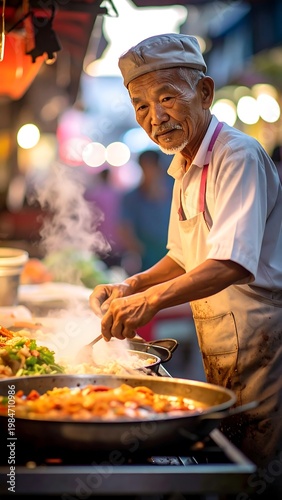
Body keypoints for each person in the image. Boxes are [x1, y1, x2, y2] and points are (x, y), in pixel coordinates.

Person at [89, 33, 282, 498]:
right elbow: (183, 255)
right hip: (222, 345)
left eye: (168, 98)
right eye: (140, 107)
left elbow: (232, 262)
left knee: (257, 473)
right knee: (230, 458)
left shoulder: (237, 155)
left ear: (206, 93)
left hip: (263, 346)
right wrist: (133, 286)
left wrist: (148, 303)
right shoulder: (185, 164)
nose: (154, 118)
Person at [118, 149, 172, 273]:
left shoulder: (174, 191)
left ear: (159, 168)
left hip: (172, 251)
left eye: (152, 167)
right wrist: (139, 250)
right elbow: (124, 228)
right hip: (147, 255)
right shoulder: (132, 197)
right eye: (146, 167)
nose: (149, 172)